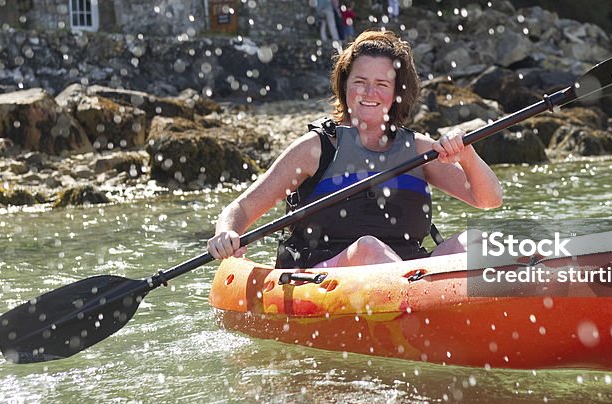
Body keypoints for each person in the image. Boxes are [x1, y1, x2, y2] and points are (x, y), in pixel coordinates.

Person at [207, 30, 503, 269]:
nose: (369, 93)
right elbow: (241, 209)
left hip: (410, 279)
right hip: (325, 280)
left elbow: (488, 199)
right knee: (369, 248)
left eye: (381, 84)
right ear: (344, 85)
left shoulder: (418, 150)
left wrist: (467, 155)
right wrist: (227, 232)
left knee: (476, 242)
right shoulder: (316, 149)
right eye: (360, 82)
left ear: (398, 93)